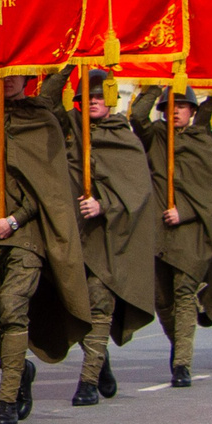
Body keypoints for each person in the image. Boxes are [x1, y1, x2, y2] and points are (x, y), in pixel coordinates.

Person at [0, 70, 91, 424]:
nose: (7, 79)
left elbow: (49, 186)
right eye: (2, 73)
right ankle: (18, 366)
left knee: (13, 309)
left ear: (27, 77)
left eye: (14, 73)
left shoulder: (40, 118)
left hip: (26, 235)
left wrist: (15, 219)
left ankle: (6, 400)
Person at [56, 71, 158, 405]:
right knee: (76, 308)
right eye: (88, 97)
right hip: (71, 237)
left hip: (107, 239)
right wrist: (67, 65)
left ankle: (86, 381)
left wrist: (105, 204)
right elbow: (47, 97)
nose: (94, 102)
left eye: (100, 97)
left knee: (99, 305)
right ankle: (99, 363)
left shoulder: (123, 136)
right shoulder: (67, 128)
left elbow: (137, 189)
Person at [131, 84, 212, 389]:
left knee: (184, 293)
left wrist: (183, 211)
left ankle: (182, 361)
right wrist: (154, 83)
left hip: (189, 232)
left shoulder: (204, 142)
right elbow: (137, 116)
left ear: (193, 111)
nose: (174, 111)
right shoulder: (156, 136)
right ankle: (178, 344)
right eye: (169, 106)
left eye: (182, 106)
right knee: (162, 299)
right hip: (157, 232)